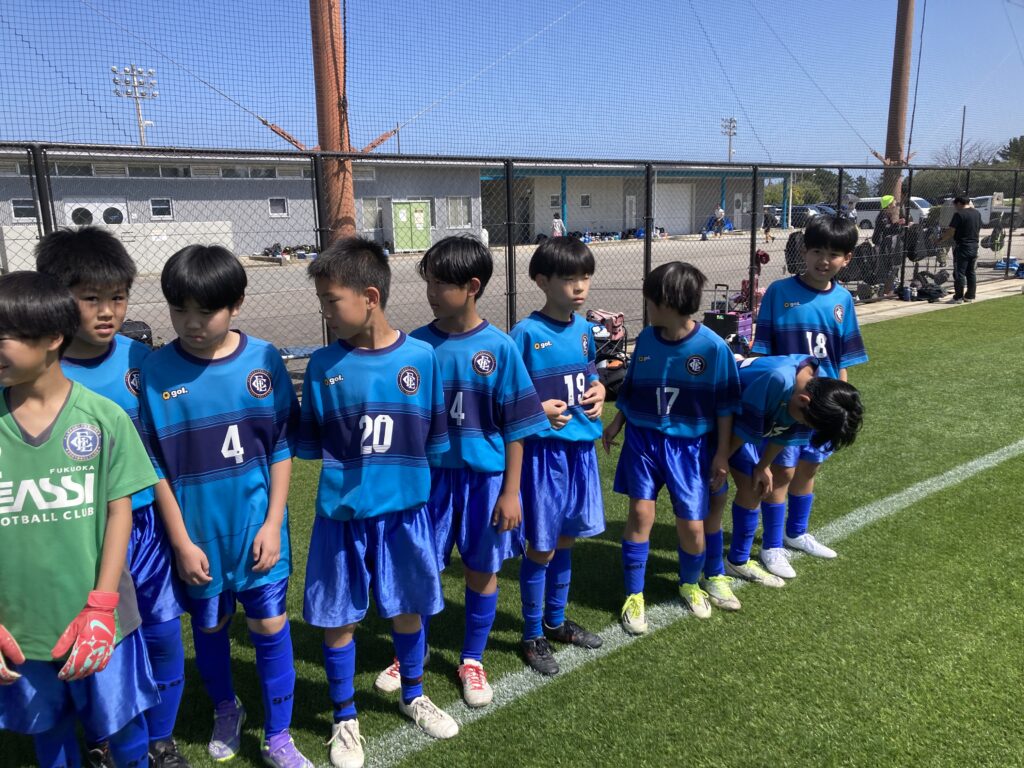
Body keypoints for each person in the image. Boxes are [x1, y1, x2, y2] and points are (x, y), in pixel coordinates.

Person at [138, 246, 311, 767]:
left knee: (270, 626)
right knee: (211, 628)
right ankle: (226, 707)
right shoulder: (154, 371)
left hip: (257, 532)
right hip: (198, 539)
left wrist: (274, 523)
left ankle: (279, 735)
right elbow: (154, 467)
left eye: (206, 310)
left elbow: (280, 446)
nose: (191, 323)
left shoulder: (263, 360)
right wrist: (180, 542)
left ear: (236, 304)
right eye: (179, 309)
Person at [299, 237, 458, 768]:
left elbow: (434, 442)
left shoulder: (421, 359)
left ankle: (414, 694)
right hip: (342, 517)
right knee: (338, 617)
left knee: (408, 608)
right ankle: (345, 717)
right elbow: (311, 441)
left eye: (331, 301)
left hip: (405, 514)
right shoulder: (323, 365)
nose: (325, 312)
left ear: (370, 297)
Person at [35, 226, 189, 768]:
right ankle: (102, 735)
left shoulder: (140, 360)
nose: (107, 312)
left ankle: (161, 738)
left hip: (145, 527)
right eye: (90, 299)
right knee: (90, 642)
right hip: (80, 535)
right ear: (58, 299)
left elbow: (161, 449)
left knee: (164, 634)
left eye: (118, 298)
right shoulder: (39, 371)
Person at [370, 236, 547, 707]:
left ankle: (472, 658)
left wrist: (511, 492)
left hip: (484, 483)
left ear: (472, 286)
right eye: (428, 282)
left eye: (440, 284)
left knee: (481, 569)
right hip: (427, 483)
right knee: (420, 568)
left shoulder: (500, 348)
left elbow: (516, 428)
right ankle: (414, 652)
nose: (430, 292)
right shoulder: (414, 346)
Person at [0, 271, 159, 768]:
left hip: (101, 618)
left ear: (52, 337)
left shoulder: (103, 418)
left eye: (3, 336)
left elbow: (119, 513)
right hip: (19, 627)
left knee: (126, 728)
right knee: (48, 735)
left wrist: (102, 606)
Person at [602, 262, 740, 631]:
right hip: (644, 440)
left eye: (650, 300)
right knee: (640, 514)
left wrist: (721, 453)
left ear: (668, 302)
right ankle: (634, 594)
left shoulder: (713, 348)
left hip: (690, 448)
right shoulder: (647, 339)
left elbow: (726, 407)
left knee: (692, 526)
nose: (646, 305)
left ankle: (690, 583)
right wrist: (617, 421)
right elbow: (633, 387)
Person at [744, 215, 868, 576]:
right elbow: (763, 352)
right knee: (781, 471)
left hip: (824, 407)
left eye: (833, 254)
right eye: (816, 251)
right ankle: (772, 545)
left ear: (847, 258)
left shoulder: (843, 299)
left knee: (810, 466)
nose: (823, 261)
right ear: (803, 250)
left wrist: (841, 401)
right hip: (790, 404)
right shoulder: (779, 292)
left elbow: (842, 360)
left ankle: (796, 533)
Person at [509, 236, 606, 676]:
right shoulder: (525, 334)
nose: (579, 286)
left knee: (566, 539)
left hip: (580, 452)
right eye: (569, 279)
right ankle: (532, 634)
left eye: (585, 277)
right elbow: (507, 397)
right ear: (541, 281)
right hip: (544, 457)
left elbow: (589, 373)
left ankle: (555, 620)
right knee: (543, 546)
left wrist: (599, 391)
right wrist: (538, 411)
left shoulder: (584, 330)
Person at [723, 354, 864, 585]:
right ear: (803, 401)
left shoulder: (815, 389)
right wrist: (719, 462)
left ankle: (737, 561)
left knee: (754, 487)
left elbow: (784, 432)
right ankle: (706, 570)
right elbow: (740, 433)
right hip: (714, 416)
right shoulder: (776, 380)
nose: (807, 426)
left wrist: (763, 466)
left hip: (739, 424)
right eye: (809, 423)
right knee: (711, 491)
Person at [939, 196, 982, 304]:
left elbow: (951, 231)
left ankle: (958, 297)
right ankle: (970, 296)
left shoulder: (959, 214)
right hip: (974, 245)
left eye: (955, 205)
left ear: (959, 203)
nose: (955, 208)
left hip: (962, 246)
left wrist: (940, 239)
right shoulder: (977, 213)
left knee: (959, 273)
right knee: (970, 272)